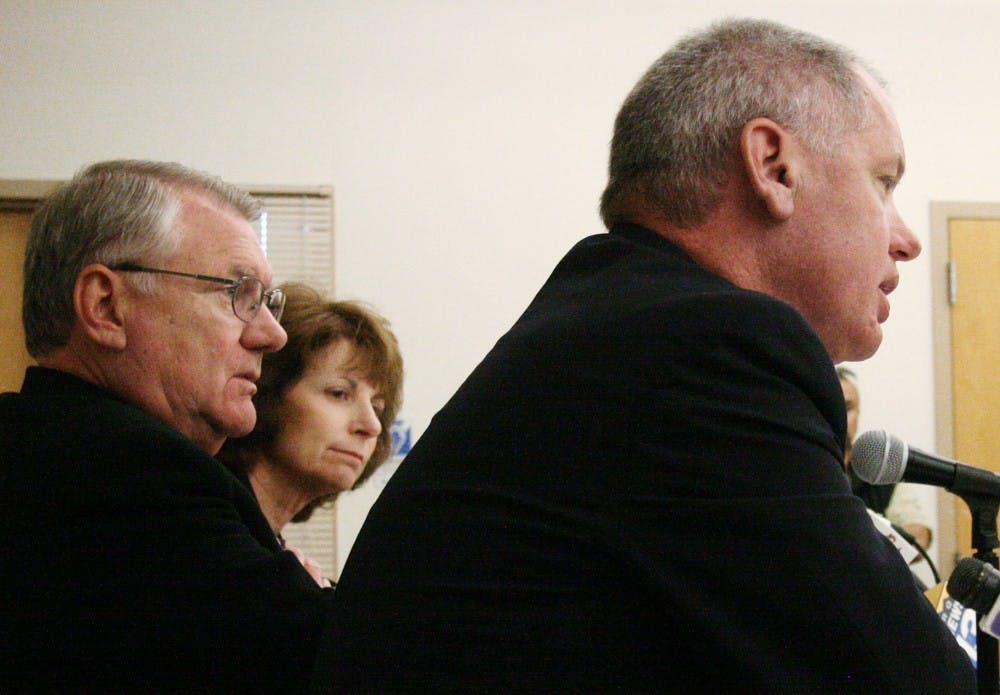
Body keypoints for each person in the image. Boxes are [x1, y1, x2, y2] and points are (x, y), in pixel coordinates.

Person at [315, 18, 976, 693]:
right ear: (774, 167)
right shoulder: (705, 349)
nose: (905, 238)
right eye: (884, 182)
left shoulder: (616, 320)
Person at [0, 160, 334, 692]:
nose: (273, 335)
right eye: (240, 294)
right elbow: (343, 663)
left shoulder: (42, 443)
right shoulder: (130, 473)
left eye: (267, 301)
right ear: (106, 306)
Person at [217, 282, 404, 586]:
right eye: (340, 393)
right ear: (264, 392)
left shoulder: (263, 544)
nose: (372, 426)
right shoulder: (210, 532)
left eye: (378, 407)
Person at [840, 366, 933, 550]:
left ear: (858, 412)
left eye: (848, 408)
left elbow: (920, 535)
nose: (840, 418)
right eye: (831, 408)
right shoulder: (802, 469)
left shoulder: (879, 466)